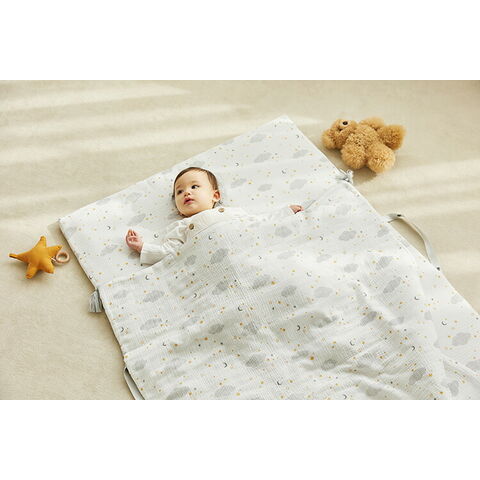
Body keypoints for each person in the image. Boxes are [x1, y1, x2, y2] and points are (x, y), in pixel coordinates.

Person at [125, 166, 303, 265]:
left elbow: (259, 223)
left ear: (215, 196)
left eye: (194, 186)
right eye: (179, 191)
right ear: (179, 211)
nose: (187, 192)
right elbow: (169, 253)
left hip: (248, 255)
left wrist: (286, 212)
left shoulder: (232, 213)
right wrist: (143, 247)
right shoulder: (181, 226)